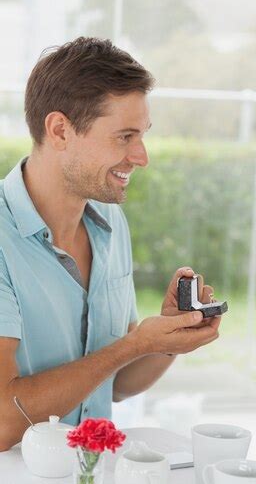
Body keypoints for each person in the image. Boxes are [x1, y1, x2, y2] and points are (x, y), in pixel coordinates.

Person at [0, 37, 220, 451]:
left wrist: (164, 341)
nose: (141, 156)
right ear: (60, 130)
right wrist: (134, 344)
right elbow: (2, 422)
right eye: (124, 137)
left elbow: (115, 384)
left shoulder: (110, 223)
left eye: (143, 135)